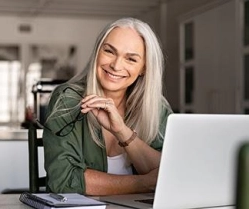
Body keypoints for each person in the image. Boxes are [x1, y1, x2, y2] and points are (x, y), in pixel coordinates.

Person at [41, 17, 173, 196]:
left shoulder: (156, 107)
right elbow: (63, 181)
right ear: (97, 52)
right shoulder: (67, 99)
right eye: (109, 51)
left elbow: (170, 175)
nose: (116, 65)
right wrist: (142, 183)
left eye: (131, 59)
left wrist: (122, 131)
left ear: (144, 68)